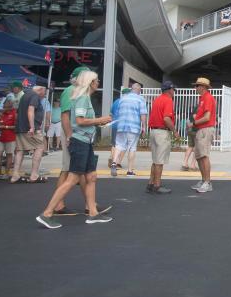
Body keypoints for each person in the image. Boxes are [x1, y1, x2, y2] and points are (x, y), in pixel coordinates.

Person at [37, 70, 113, 228]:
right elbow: (80, 120)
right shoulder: (82, 98)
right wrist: (100, 119)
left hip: (85, 141)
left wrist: (97, 123)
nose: (98, 83)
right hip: (81, 142)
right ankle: (47, 213)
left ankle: (93, 213)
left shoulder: (84, 98)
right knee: (73, 179)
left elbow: (82, 120)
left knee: (91, 176)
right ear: (91, 82)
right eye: (97, 80)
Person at [11, 84, 48, 183]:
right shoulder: (34, 96)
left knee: (20, 150)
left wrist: (18, 124)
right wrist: (32, 127)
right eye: (44, 92)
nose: (44, 95)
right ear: (40, 89)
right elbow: (31, 110)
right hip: (30, 129)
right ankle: (34, 175)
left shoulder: (24, 96)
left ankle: (15, 175)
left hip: (20, 127)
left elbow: (17, 113)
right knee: (39, 147)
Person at [110, 83, 147, 177]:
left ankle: (114, 162)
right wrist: (144, 127)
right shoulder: (140, 99)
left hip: (121, 126)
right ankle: (130, 171)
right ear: (139, 90)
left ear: (131, 89)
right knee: (132, 147)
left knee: (119, 145)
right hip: (133, 127)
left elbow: (117, 113)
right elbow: (143, 114)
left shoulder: (122, 99)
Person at [147, 80, 175, 194]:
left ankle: (150, 183)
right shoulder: (168, 100)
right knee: (159, 161)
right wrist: (175, 131)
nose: (174, 92)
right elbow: (166, 119)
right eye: (173, 89)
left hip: (153, 131)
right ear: (169, 90)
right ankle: (157, 185)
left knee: (155, 160)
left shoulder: (157, 100)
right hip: (162, 133)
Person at [189, 76, 217, 193]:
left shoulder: (207, 98)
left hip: (205, 129)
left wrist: (194, 122)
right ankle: (204, 180)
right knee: (200, 156)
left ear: (203, 87)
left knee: (204, 156)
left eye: (197, 85)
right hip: (201, 129)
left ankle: (207, 182)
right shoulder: (203, 98)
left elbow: (207, 117)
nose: (195, 88)